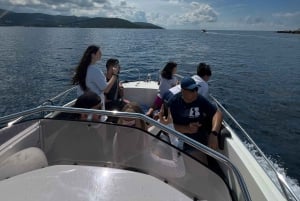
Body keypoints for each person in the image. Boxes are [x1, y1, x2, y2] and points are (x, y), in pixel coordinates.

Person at [166, 77, 222, 153]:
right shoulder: (173, 103)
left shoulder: (199, 99)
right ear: (183, 91)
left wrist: (214, 133)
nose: (195, 92)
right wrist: (186, 128)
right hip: (180, 139)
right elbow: (166, 124)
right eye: (192, 90)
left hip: (200, 140)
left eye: (196, 89)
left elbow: (217, 113)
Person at [72, 45, 119, 109]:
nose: (101, 54)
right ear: (93, 55)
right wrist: (115, 75)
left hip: (82, 103)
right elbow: (106, 90)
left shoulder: (82, 69)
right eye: (99, 52)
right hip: (94, 105)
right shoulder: (94, 70)